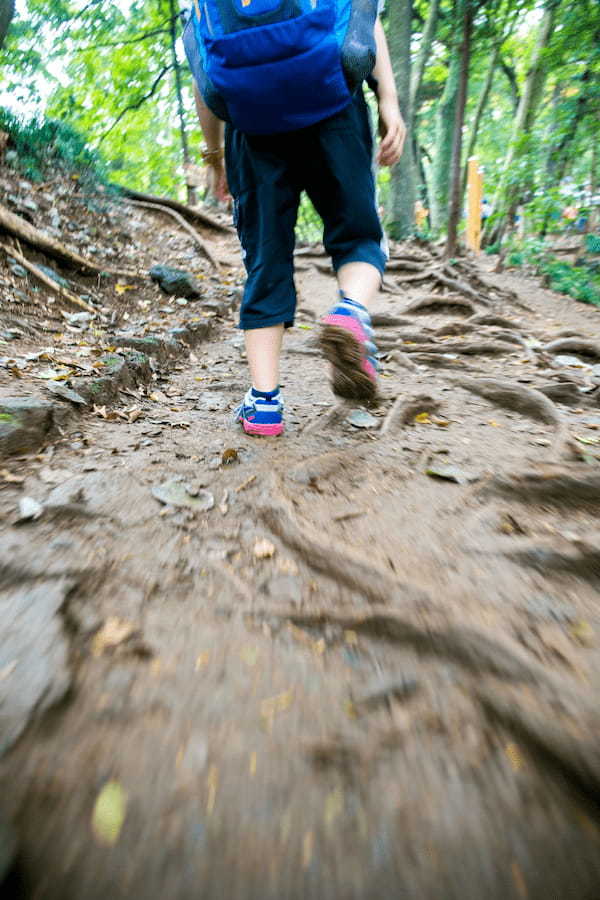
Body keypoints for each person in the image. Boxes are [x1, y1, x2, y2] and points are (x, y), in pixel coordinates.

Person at [192, 14, 405, 436]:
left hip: (251, 129)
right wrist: (388, 102)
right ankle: (351, 311)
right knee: (360, 237)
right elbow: (365, 18)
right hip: (335, 108)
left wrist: (215, 155)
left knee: (265, 262)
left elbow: (204, 72)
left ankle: (265, 405)